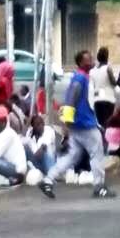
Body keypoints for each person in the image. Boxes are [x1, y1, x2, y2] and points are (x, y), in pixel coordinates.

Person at [38, 50, 115, 199]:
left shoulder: (82, 77)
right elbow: (71, 99)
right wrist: (67, 122)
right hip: (84, 123)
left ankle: (48, 180)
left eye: (91, 58)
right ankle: (99, 187)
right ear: (80, 63)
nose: (92, 61)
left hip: (79, 123)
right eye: (88, 59)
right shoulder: (80, 78)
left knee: (73, 156)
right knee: (97, 153)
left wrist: (69, 123)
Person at [91, 47, 118, 128]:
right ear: (107, 56)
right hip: (108, 99)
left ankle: (102, 138)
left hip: (97, 99)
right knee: (108, 122)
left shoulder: (93, 70)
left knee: (101, 122)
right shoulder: (108, 69)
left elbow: (93, 86)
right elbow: (113, 83)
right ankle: (107, 138)